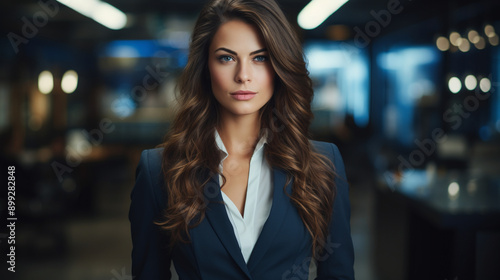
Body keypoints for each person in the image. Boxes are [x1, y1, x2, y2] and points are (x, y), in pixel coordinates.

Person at [129, 0, 355, 279]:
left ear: (279, 66)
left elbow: (338, 273)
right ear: (205, 66)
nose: (243, 76)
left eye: (260, 58)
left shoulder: (323, 164)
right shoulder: (159, 170)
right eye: (227, 58)